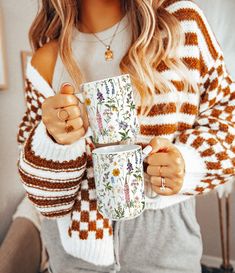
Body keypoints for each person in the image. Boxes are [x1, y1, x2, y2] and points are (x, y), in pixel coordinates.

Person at [17, 0, 235, 272]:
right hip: (74, 255)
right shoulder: (47, 59)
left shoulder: (181, 27)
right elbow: (42, 197)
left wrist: (188, 164)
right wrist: (55, 140)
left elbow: (228, 121)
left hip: (165, 250)